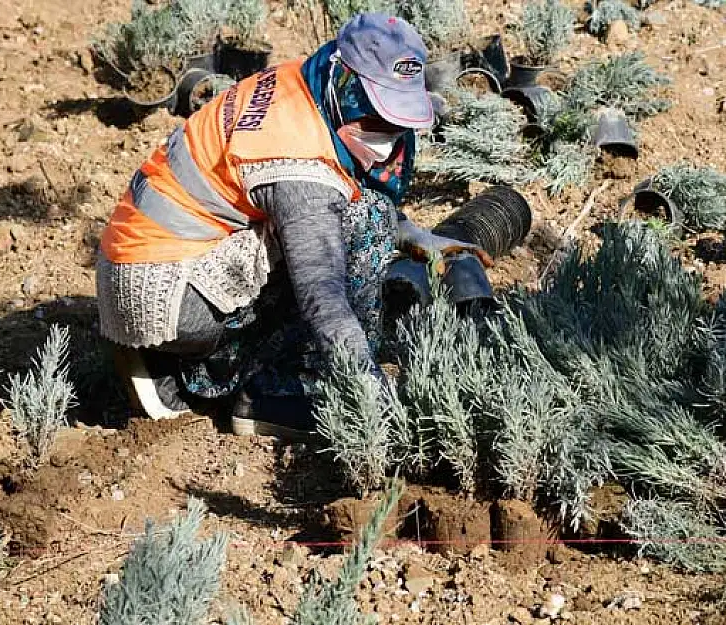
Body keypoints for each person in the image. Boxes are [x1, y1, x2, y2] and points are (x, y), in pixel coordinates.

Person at [95, 13, 491, 437]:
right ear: (348, 87)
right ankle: (269, 393)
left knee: (355, 214)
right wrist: (371, 392)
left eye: (398, 121)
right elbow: (323, 299)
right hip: (167, 295)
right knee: (361, 223)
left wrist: (416, 237)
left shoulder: (304, 82)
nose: (389, 134)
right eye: (378, 118)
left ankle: (174, 358)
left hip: (137, 262)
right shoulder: (301, 167)